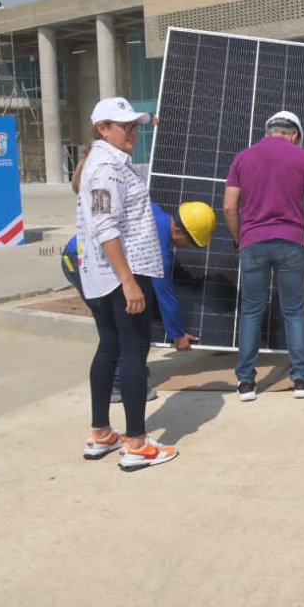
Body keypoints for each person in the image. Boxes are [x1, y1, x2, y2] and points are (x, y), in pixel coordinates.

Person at [75, 97, 178, 471]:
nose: (133, 131)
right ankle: (136, 444)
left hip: (106, 276)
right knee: (134, 354)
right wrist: (129, 281)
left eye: (136, 125)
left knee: (110, 348)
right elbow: (105, 225)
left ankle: (101, 433)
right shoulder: (105, 169)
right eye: (125, 126)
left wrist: (153, 117)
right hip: (123, 275)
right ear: (103, 128)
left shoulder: (108, 160)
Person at [62, 193, 216, 402]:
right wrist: (177, 334)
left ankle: (129, 370)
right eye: (191, 241)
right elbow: (164, 293)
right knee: (117, 328)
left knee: (132, 315)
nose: (189, 246)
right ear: (178, 230)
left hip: (96, 259)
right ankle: (118, 385)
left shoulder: (154, 211)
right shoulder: (158, 249)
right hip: (82, 263)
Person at [224, 111, 304, 401]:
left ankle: (246, 383)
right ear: (294, 134)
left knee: (250, 311)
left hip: (253, 244)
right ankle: (300, 380)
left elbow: (229, 208)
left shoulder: (242, 158)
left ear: (268, 131)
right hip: (290, 242)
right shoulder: (303, 158)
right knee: (294, 311)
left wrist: (241, 239)